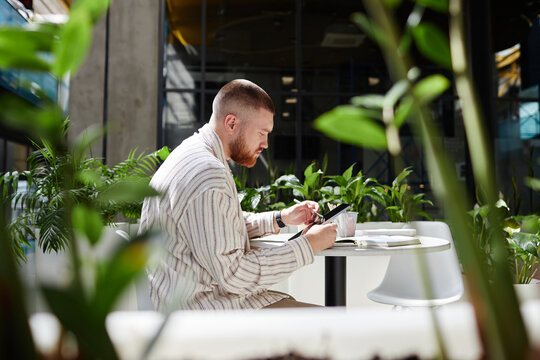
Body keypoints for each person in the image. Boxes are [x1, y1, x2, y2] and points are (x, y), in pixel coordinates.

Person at [139, 79, 337, 311]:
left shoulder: (192, 152)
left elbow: (215, 226)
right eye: (262, 133)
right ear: (231, 123)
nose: (265, 144)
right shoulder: (208, 173)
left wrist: (281, 218)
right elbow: (234, 275)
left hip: (193, 304)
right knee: (335, 326)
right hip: (207, 313)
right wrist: (309, 244)